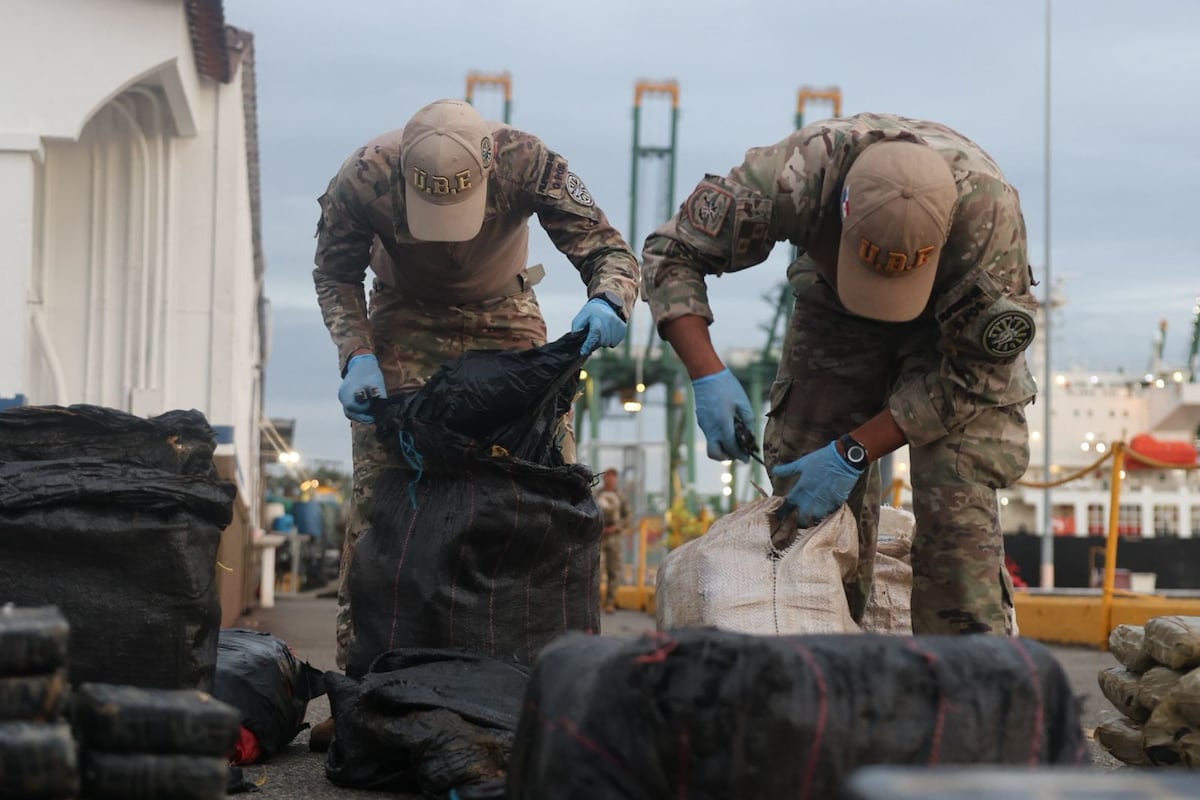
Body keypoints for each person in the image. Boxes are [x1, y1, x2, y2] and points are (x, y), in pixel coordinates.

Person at [310, 98, 639, 748]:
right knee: (385, 491)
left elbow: (606, 249)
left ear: (489, 169)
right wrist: (357, 355)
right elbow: (334, 273)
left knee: (544, 486)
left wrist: (610, 298)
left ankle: (556, 685)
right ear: (404, 176)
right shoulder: (364, 176)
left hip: (505, 306)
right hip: (404, 311)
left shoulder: (528, 161)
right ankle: (365, 690)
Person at [641, 112, 1037, 637]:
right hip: (836, 305)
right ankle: (822, 666)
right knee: (801, 502)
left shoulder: (989, 225)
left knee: (958, 513)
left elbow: (977, 374)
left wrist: (854, 449)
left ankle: (967, 689)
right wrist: (707, 372)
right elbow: (673, 252)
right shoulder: (793, 180)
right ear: (838, 216)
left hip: (952, 330)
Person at [594, 468, 631, 614]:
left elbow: (628, 516)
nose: (610, 479)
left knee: (614, 571)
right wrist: (598, 527)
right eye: (607, 476)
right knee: (597, 570)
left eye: (613, 477)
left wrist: (616, 527)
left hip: (615, 538)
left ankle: (610, 602)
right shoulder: (597, 495)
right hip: (599, 538)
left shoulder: (620, 497)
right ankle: (594, 603)